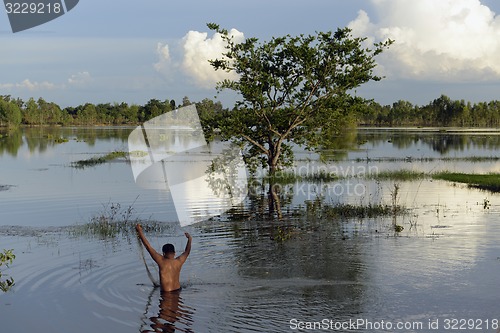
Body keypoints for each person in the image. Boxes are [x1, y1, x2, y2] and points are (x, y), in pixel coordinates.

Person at [136, 223, 192, 292]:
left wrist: (140, 231)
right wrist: (189, 239)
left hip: (166, 293)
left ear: (163, 253)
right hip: (178, 290)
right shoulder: (179, 261)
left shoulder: (161, 261)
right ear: (174, 253)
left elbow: (148, 247)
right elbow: (187, 252)